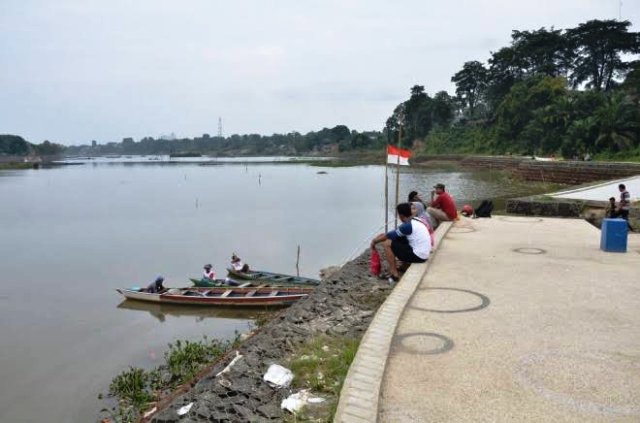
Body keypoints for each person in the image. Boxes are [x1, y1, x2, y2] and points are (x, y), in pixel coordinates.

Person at [370, 202, 431, 285]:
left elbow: (388, 236)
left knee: (387, 243)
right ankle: (404, 266)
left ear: (401, 215)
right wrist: (384, 236)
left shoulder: (407, 226)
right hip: (424, 254)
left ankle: (394, 275)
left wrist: (374, 241)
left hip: (419, 256)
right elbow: (394, 234)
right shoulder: (416, 220)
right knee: (399, 239)